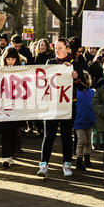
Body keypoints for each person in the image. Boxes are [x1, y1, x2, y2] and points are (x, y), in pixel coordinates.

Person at [37, 37, 79, 178]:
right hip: (52, 105)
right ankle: (43, 165)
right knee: (49, 135)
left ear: (68, 49)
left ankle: (67, 164)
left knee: (67, 136)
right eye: (56, 49)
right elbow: (43, 82)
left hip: (68, 105)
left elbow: (84, 85)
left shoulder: (75, 64)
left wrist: (75, 77)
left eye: (61, 48)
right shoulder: (50, 63)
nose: (58, 51)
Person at [0, 47, 25, 168]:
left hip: (17, 105)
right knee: (5, 131)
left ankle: (11, 154)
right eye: (8, 59)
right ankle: (6, 156)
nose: (10, 61)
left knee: (14, 131)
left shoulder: (22, 70)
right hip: (4, 105)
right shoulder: (0, 71)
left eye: (13, 59)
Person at [74, 71, 96, 171]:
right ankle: (79, 160)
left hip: (90, 120)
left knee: (88, 142)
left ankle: (87, 158)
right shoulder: (76, 93)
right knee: (81, 141)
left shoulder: (92, 92)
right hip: (79, 121)